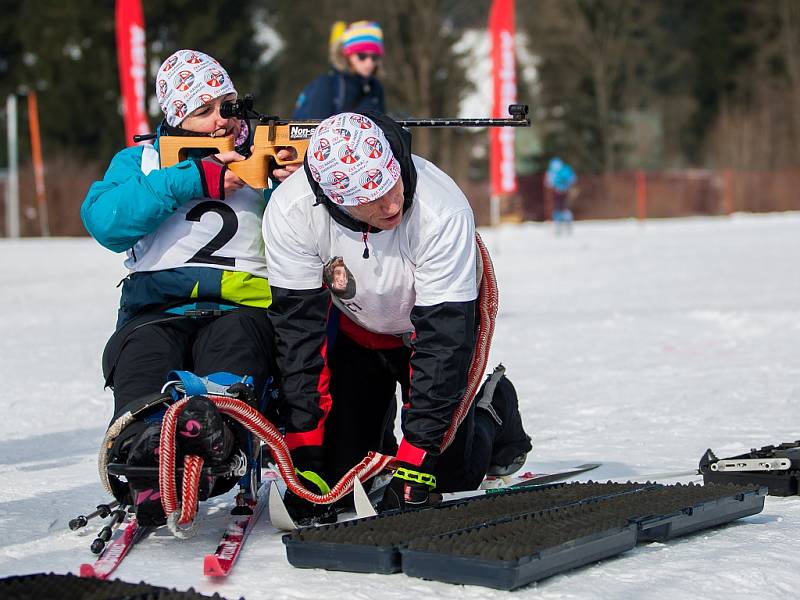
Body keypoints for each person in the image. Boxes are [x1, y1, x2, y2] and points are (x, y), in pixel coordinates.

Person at [262, 111, 533, 522]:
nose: (392, 204)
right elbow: (298, 337)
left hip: (426, 333)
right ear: (334, 199)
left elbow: (444, 341)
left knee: (449, 474)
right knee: (339, 474)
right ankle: (376, 428)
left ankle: (495, 406)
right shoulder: (291, 210)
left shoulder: (441, 210)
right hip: (357, 331)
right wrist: (303, 450)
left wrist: (418, 456)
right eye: (372, 201)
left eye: (393, 184)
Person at [81, 49, 299, 526]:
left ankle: (215, 438)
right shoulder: (143, 159)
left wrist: (290, 186)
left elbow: (308, 238)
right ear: (176, 118)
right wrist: (191, 178)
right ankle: (146, 456)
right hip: (155, 310)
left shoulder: (267, 152)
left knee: (236, 351)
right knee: (141, 362)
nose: (222, 120)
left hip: (242, 307)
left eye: (228, 105)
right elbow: (104, 221)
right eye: (204, 112)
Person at [291, 20, 386, 119]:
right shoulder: (327, 84)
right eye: (362, 56)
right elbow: (314, 128)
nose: (369, 62)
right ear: (347, 55)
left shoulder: (376, 88)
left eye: (374, 57)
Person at [545, 157, 577, 234]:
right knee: (559, 209)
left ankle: (565, 225)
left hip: (563, 192)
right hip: (558, 192)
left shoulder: (564, 170)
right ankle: (560, 225)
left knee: (564, 208)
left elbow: (572, 179)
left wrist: (564, 185)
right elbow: (548, 182)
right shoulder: (553, 171)